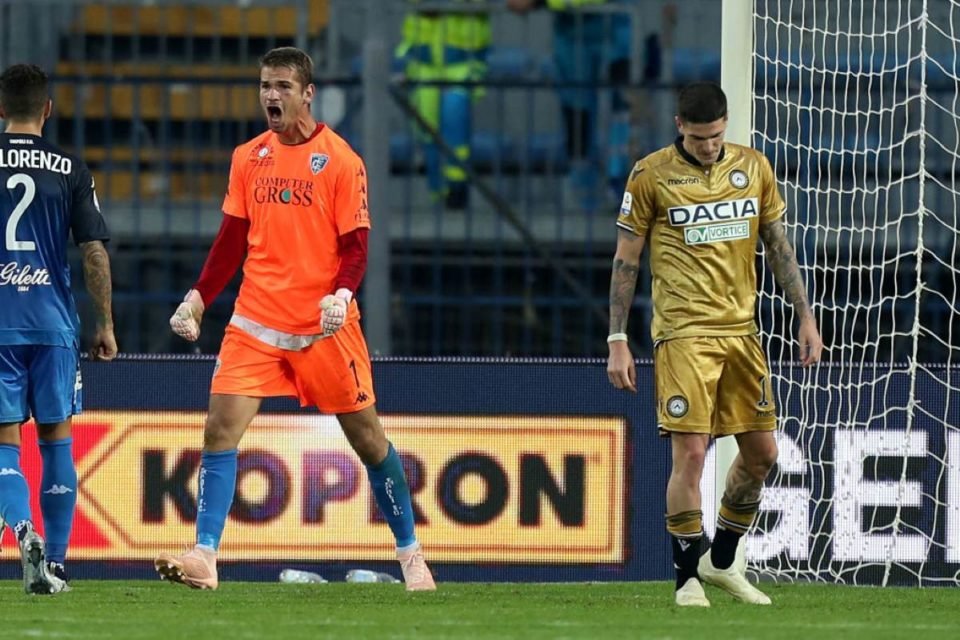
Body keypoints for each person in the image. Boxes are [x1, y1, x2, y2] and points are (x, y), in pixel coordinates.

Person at [153, 47, 436, 592]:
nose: (271, 96)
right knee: (218, 430)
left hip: (323, 326)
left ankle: (410, 556)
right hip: (255, 322)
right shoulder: (247, 157)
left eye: (282, 86)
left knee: (370, 441)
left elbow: (356, 246)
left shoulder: (341, 160)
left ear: (308, 93)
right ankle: (205, 557)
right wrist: (197, 298)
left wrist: (342, 294)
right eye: (264, 86)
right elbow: (232, 240)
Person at [606, 82, 823, 607]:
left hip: (742, 333)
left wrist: (806, 317)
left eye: (717, 137)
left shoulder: (754, 167)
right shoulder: (651, 174)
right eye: (701, 138)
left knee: (762, 454)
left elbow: (777, 246)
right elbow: (627, 259)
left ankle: (721, 559)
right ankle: (686, 579)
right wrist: (617, 337)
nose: (709, 146)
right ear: (680, 125)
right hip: (683, 334)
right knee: (693, 452)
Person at [0, 63, 117, 594]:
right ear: (47, 108)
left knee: (4, 445)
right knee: (56, 442)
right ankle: (59, 565)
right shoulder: (70, 168)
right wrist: (105, 323)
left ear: (1, 109)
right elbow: (93, 250)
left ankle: (24, 533)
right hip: (53, 324)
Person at [506, 0, 636, 209]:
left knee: (622, 107)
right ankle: (587, 197)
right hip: (571, 28)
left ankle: (620, 185)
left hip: (615, 22)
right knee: (577, 115)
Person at [396, 0, 491, 210]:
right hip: (423, 62)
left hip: (463, 61)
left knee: (454, 121)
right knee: (427, 133)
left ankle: (457, 193)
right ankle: (437, 198)